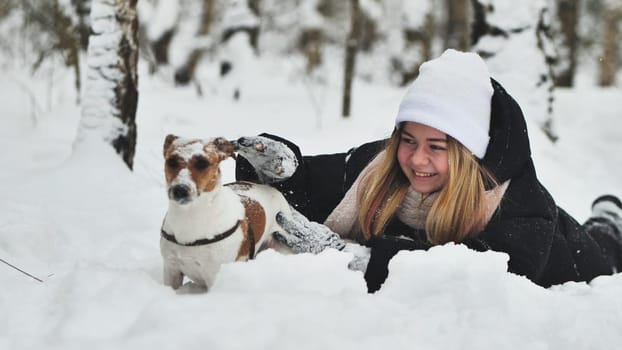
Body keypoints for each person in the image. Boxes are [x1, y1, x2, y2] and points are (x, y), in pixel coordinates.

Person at [234, 49, 622, 293]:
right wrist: (280, 171)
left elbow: (477, 276)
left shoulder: (519, 205)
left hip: (574, 255)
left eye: (437, 147)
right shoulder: (382, 166)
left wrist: (350, 258)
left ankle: (609, 221)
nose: (417, 159)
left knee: (602, 243)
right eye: (408, 140)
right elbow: (316, 187)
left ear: (469, 151)